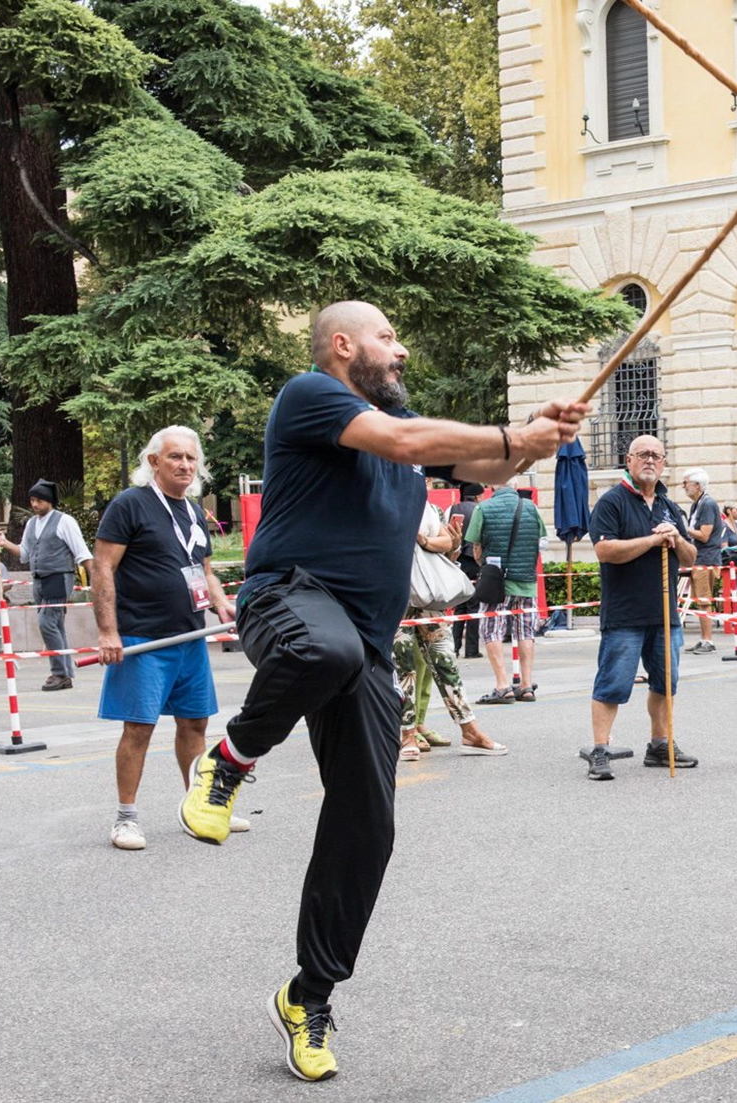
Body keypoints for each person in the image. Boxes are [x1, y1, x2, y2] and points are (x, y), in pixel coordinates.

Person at [173, 300, 584, 1080]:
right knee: (322, 648)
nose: (400, 350)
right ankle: (229, 756)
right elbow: (404, 437)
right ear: (342, 345)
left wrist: (537, 434)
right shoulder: (312, 397)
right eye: (387, 338)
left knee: (370, 820)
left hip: (362, 645)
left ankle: (308, 993)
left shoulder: (407, 443)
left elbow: (489, 467)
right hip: (288, 602)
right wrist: (512, 434)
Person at [91, 426, 235, 852]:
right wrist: (107, 630)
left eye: (191, 458)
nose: (185, 465)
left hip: (191, 637)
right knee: (139, 728)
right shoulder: (130, 504)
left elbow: (205, 571)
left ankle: (199, 808)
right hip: (143, 638)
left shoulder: (192, 511)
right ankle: (126, 818)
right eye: (175, 457)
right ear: (153, 461)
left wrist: (222, 605)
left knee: (195, 723)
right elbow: (102, 567)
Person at [586, 435, 699, 781]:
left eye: (657, 456)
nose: (650, 460)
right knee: (612, 685)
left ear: (664, 463)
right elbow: (605, 551)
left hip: (664, 612)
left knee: (665, 683)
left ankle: (659, 744)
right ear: (629, 460)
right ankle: (601, 750)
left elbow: (691, 557)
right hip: (624, 613)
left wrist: (676, 538)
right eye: (643, 455)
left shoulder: (669, 505)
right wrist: (652, 540)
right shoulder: (612, 502)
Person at [395, 484, 506, 759]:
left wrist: (429, 542)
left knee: (446, 662)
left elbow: (447, 543)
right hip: (394, 598)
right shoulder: (382, 504)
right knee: (403, 667)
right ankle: (406, 733)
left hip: (428, 598)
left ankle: (470, 730)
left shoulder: (427, 509)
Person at [0, 479, 92, 691]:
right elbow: (25, 554)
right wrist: (4, 543)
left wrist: (95, 580)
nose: (35, 504)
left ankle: (59, 673)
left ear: (49, 501)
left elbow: (82, 552)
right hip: (38, 579)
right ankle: (65, 673)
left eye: (39, 500)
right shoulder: (31, 523)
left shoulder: (65, 521)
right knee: (55, 625)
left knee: (46, 622)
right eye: (32, 500)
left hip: (58, 578)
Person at [469, 476, 546, 704]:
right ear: (515, 485)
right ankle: (526, 685)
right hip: (527, 581)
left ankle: (503, 685)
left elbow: (475, 547)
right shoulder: (531, 507)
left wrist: (484, 562)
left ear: (492, 484)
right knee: (526, 632)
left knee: (492, 629)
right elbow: (541, 541)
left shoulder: (483, 508)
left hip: (496, 582)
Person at [682, 467, 724, 655]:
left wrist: (682, 528)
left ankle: (708, 640)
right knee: (701, 600)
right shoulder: (697, 504)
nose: (684, 487)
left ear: (697, 485)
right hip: (700, 557)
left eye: (686, 483)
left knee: (704, 600)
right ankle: (703, 638)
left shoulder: (707, 504)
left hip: (706, 558)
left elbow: (705, 535)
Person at [447, 482, 484, 659]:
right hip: (474, 562)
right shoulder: (479, 509)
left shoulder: (453, 508)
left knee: (459, 606)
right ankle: (472, 649)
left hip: (458, 561)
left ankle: (454, 647)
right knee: (473, 607)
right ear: (477, 496)